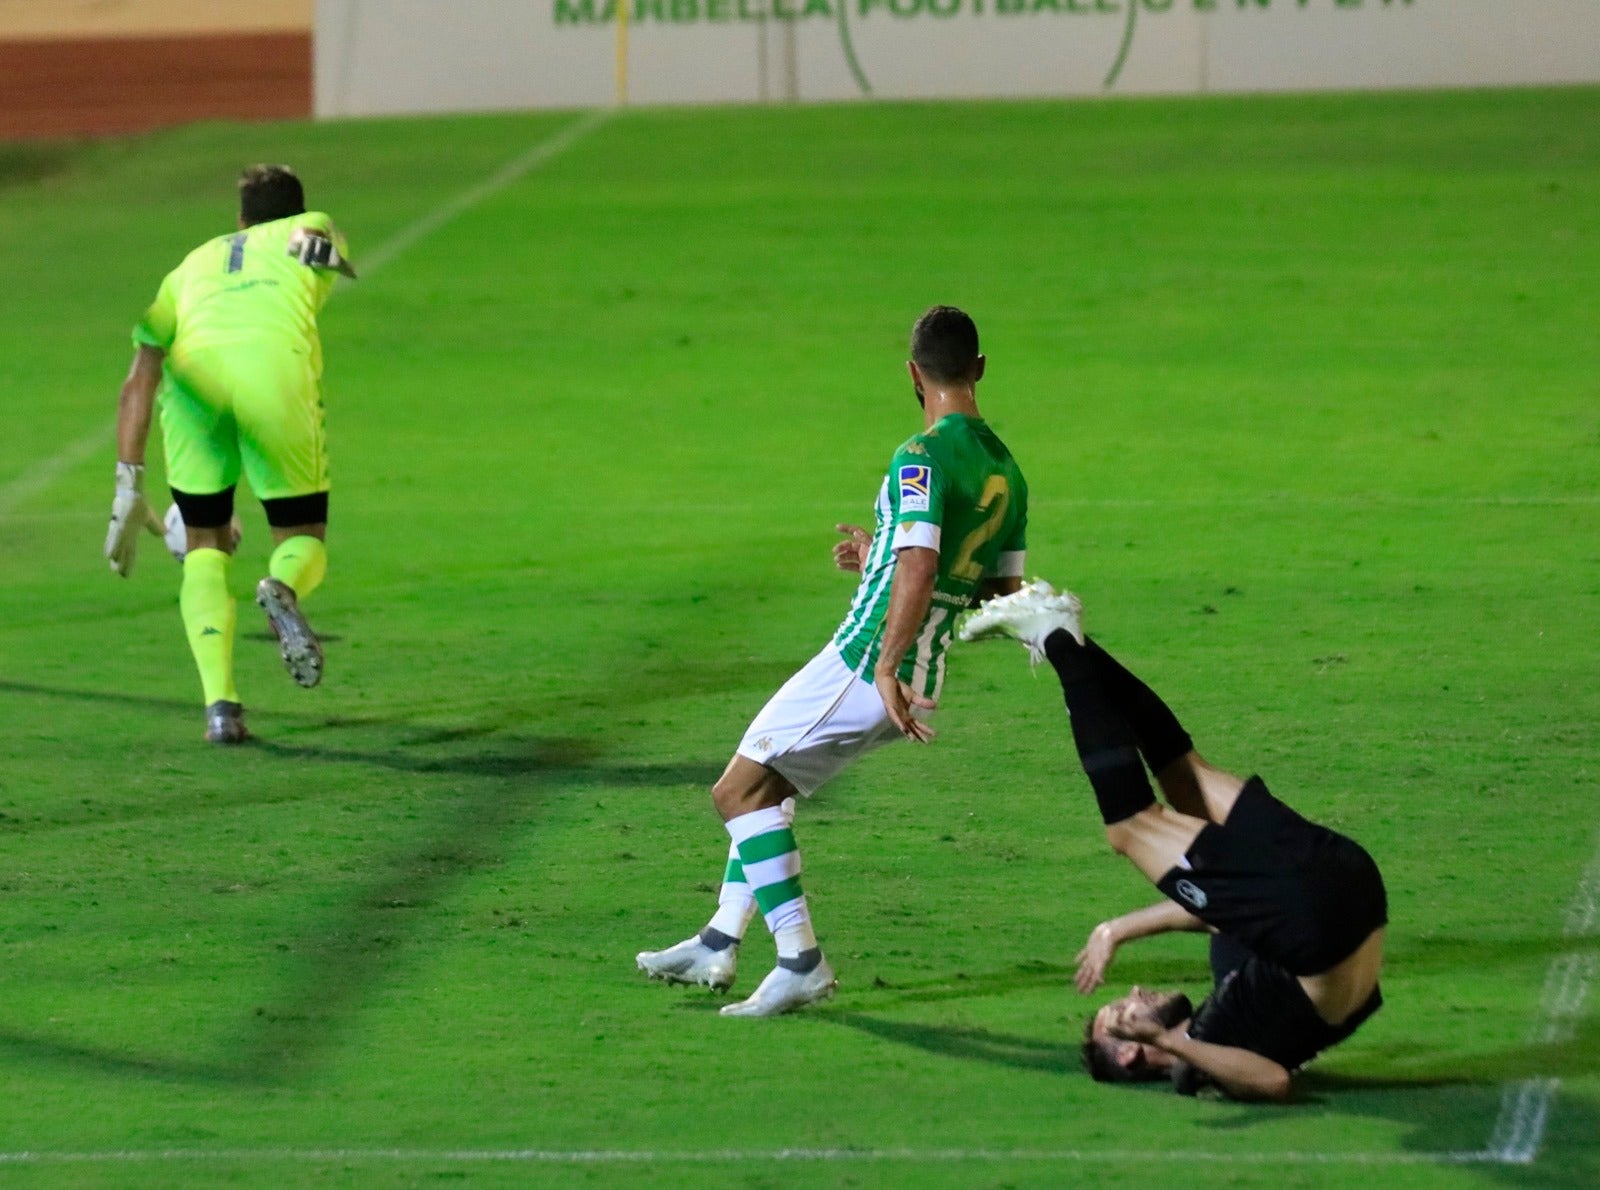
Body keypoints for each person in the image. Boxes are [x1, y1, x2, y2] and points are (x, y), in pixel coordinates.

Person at [637, 306, 1029, 1017]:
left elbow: (921, 559)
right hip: (922, 668)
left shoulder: (921, 454)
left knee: (738, 792)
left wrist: (885, 660)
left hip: (864, 660)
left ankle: (801, 960)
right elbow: (997, 588)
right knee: (770, 784)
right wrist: (878, 557)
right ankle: (719, 941)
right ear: (979, 368)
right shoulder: (1008, 470)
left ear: (913, 374)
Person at [959, 583, 1386, 1100]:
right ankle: (1056, 636)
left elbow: (1215, 913)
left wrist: (1117, 929)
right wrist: (1171, 1041)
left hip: (1340, 895)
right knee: (1129, 828)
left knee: (1186, 777)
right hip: (1324, 911)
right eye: (1122, 1014)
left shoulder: (1233, 989)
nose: (1134, 993)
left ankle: (1068, 637)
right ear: (1131, 1052)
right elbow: (1274, 1081)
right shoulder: (1211, 1046)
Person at [104, 165, 355, 744]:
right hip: (273, 372)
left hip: (192, 389)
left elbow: (141, 375)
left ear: (239, 221)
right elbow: (322, 250)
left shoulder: (189, 266)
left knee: (204, 546)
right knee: (300, 537)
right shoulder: (309, 228)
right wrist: (327, 255)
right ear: (295, 210)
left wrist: (128, 484)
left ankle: (221, 707)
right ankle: (283, 587)